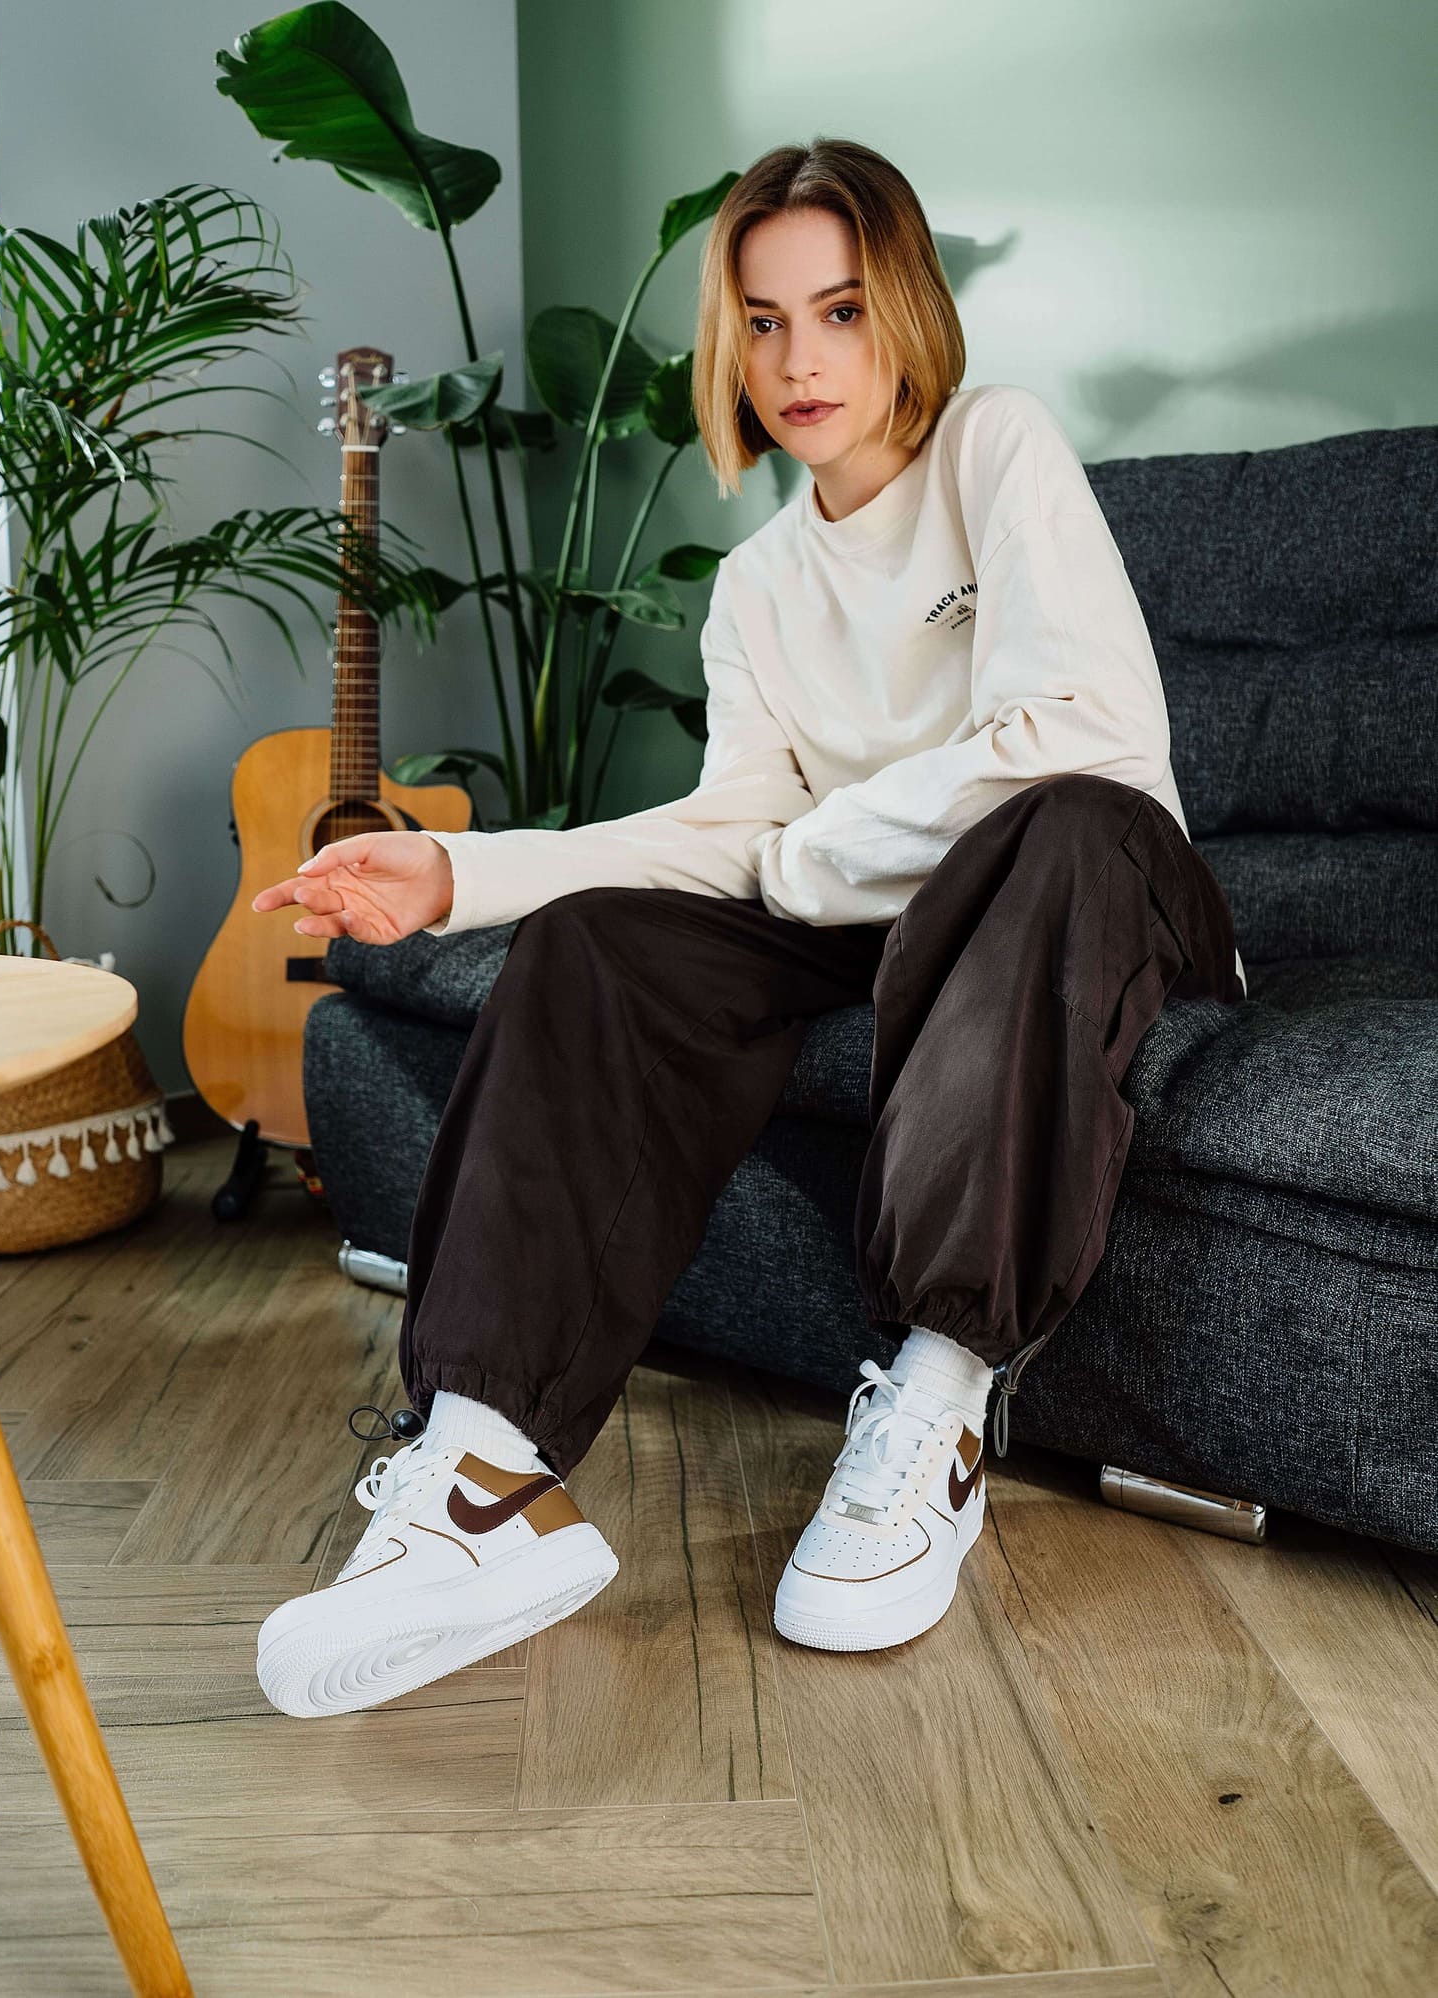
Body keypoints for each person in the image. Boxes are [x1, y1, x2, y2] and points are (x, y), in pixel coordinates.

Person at [249, 137, 1246, 1719]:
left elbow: (1078, 734)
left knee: (1046, 823)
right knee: (596, 948)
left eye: (840, 310)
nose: (800, 359)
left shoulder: (997, 447)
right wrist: (460, 878)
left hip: (1095, 893)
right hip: (876, 916)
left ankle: (940, 1397)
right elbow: (728, 843)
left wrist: (810, 851)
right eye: (765, 321)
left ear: (902, 307)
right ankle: (485, 1479)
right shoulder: (761, 584)